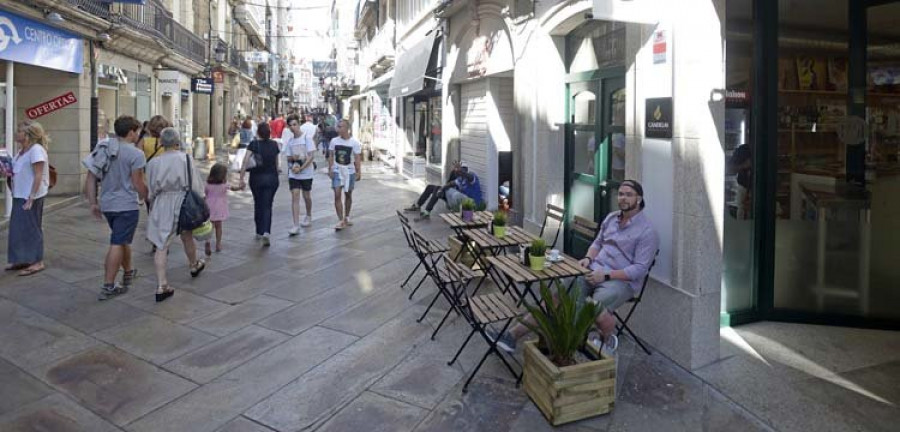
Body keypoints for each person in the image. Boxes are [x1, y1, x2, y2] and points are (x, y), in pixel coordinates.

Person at [488, 180, 659, 356]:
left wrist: (606, 275)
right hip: (593, 270)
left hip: (620, 281)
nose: (623, 198)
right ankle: (512, 336)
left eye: (629, 195)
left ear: (639, 199)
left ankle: (606, 338)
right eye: (621, 194)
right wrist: (587, 258)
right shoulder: (611, 218)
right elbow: (598, 242)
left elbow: (639, 270)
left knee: (592, 307)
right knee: (557, 297)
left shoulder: (647, 231)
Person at [83, 116, 148, 300]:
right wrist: (147, 196)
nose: (138, 135)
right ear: (130, 132)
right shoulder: (136, 154)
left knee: (123, 239)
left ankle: (128, 271)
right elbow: (137, 182)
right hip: (126, 205)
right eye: (136, 131)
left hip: (108, 204)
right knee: (117, 243)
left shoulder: (103, 147)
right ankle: (108, 285)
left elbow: (90, 177)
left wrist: (93, 202)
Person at [146, 127, 206, 302]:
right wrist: (202, 201)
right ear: (177, 141)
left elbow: (151, 189)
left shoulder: (153, 163)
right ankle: (194, 264)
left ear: (161, 143)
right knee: (187, 235)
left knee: (161, 244)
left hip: (162, 202)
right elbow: (196, 184)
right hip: (184, 201)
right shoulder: (186, 159)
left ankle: (162, 284)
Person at [5, 121, 50, 276]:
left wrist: (31, 197)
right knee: (18, 228)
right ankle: (22, 259)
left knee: (32, 227)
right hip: (19, 194)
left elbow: (38, 174)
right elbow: (17, 171)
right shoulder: (21, 151)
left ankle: (37, 261)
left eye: (19, 131)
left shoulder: (36, 150)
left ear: (28, 134)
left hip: (31, 195)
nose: (16, 133)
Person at [239, 122, 280, 246]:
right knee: (268, 205)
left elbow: (245, 161)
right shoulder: (274, 145)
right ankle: (266, 231)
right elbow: (277, 163)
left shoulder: (254, 144)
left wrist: (241, 178)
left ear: (258, 133)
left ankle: (259, 231)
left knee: (258, 203)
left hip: (256, 178)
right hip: (272, 178)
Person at [404, 160, 481, 219]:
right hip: (458, 200)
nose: (458, 172)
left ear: (466, 170)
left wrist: (460, 171)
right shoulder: (460, 179)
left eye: (462, 169)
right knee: (431, 187)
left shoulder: (472, 177)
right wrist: (442, 189)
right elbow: (450, 184)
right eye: (458, 170)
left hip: (471, 204)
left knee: (439, 189)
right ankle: (418, 205)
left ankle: (427, 211)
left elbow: (468, 176)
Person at [284, 116, 317, 234]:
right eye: (291, 125)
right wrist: (293, 160)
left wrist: (302, 168)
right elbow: (288, 157)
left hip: (306, 173)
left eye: (295, 124)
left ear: (299, 124)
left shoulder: (307, 138)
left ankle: (308, 215)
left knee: (306, 195)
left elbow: (311, 156)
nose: (293, 127)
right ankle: (296, 225)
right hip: (293, 173)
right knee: (295, 195)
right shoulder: (290, 142)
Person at [328, 119, 361, 230]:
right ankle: (340, 219)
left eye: (341, 126)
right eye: (338, 126)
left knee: (348, 194)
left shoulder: (354, 143)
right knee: (337, 194)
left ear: (347, 128)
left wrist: (358, 171)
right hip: (337, 170)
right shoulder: (334, 141)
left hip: (349, 171)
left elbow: (357, 158)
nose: (339, 129)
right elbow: (331, 155)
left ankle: (347, 216)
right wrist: (330, 169)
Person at [203, 163, 238, 256]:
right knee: (219, 227)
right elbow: (233, 188)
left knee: (209, 227)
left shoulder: (207, 184)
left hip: (209, 207)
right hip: (220, 207)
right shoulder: (224, 185)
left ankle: (207, 242)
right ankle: (218, 244)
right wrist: (240, 187)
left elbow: (204, 194)